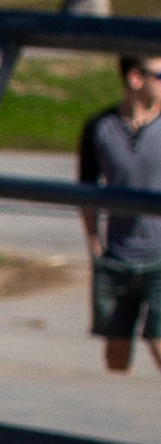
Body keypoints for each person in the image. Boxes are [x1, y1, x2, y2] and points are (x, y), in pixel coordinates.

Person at [80, 53, 161, 373]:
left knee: (159, 342)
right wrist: (94, 246)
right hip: (116, 257)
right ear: (135, 78)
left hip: (159, 258)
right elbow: (86, 192)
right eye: (160, 76)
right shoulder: (99, 128)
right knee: (115, 354)